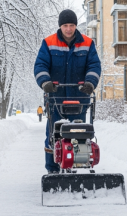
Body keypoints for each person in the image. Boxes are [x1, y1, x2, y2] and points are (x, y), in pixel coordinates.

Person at [33, 9, 101, 173]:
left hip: (79, 99)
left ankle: (76, 165)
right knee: (53, 133)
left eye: (71, 25)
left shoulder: (87, 43)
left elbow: (94, 66)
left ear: (76, 26)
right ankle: (52, 169)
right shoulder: (49, 43)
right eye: (65, 25)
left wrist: (90, 83)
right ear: (60, 26)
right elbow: (40, 65)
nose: (69, 29)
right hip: (55, 99)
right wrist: (45, 82)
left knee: (78, 133)